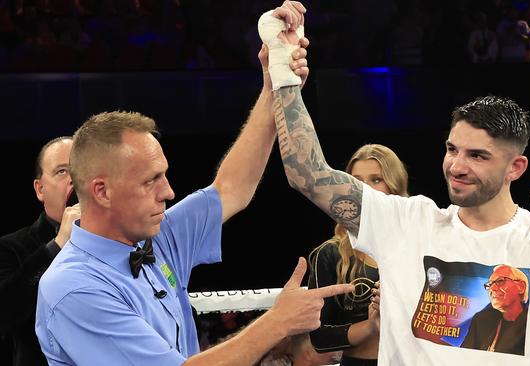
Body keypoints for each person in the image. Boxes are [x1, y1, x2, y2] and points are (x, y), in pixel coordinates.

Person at [258, 7, 530, 363]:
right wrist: (283, 69)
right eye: (453, 149)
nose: (457, 166)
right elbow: (306, 173)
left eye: (478, 156)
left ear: (515, 168)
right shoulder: (407, 221)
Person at [35, 2, 353, 366]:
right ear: (102, 191)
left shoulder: (156, 237)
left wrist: (273, 81)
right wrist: (277, 322)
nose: (168, 192)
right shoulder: (74, 289)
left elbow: (231, 188)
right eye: (150, 180)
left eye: (164, 175)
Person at [308, 144, 409, 365]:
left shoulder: (419, 245)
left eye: (376, 179)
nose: (365, 190)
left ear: (395, 185)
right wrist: (370, 327)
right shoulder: (330, 254)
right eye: (357, 181)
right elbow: (320, 337)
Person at [0, 136, 80, 366]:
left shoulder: (120, 240)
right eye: (62, 171)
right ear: (40, 189)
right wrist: (57, 245)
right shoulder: (12, 247)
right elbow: (4, 315)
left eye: (81, 169)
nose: (74, 179)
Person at [461, 265, 529, 355]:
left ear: (521, 287)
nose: (492, 289)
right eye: (490, 284)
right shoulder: (481, 320)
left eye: (500, 281)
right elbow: (464, 356)